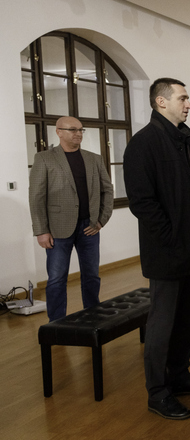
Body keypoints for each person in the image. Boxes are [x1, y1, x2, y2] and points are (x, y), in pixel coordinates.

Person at [123, 78, 190, 420]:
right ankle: (158, 393)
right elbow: (142, 202)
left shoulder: (180, 141)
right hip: (167, 252)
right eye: (183, 98)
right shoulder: (143, 143)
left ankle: (179, 376)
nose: (189, 104)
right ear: (161, 102)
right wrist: (171, 238)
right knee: (162, 324)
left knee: (185, 320)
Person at [29, 116, 113, 322]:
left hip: (89, 227)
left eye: (81, 130)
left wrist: (101, 220)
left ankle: (93, 317)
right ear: (59, 132)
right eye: (73, 129)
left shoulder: (94, 159)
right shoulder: (44, 158)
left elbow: (107, 191)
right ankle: (57, 324)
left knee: (91, 275)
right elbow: (37, 197)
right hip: (57, 229)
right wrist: (41, 230)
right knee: (57, 279)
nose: (78, 133)